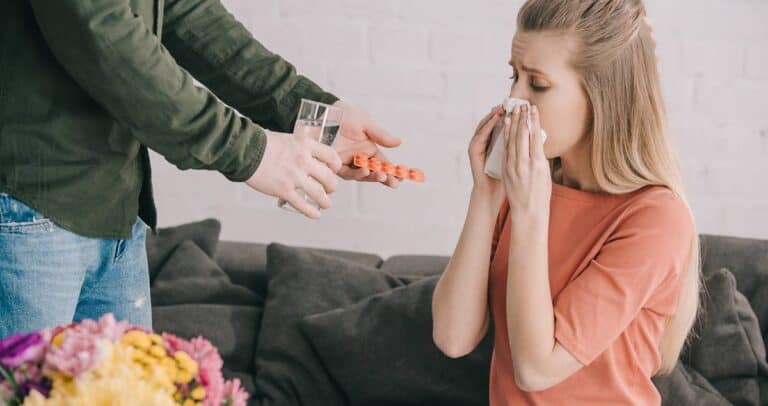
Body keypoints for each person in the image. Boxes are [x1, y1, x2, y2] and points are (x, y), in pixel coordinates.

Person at [0, 0, 401, 338]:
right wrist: (252, 152)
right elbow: (103, 35)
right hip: (26, 211)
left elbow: (183, 10)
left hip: (116, 212)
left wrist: (307, 108)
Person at [431, 0, 700, 404]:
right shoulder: (527, 188)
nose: (513, 99)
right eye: (514, 76)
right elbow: (452, 338)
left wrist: (529, 213)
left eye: (537, 84)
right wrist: (486, 197)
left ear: (602, 96)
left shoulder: (656, 219)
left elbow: (537, 369)